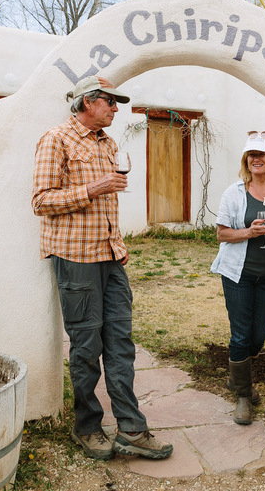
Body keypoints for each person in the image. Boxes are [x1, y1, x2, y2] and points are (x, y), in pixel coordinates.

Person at [32, 75, 173, 462]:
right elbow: (41, 201)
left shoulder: (108, 143)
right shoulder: (56, 139)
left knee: (121, 343)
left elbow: (108, 204)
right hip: (75, 260)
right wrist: (93, 189)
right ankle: (88, 427)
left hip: (109, 259)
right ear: (87, 102)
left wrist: (118, 244)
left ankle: (131, 428)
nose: (116, 109)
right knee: (86, 346)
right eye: (110, 102)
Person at [210, 131, 265, 425]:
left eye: (262, 154)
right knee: (241, 334)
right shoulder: (233, 192)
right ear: (246, 160)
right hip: (239, 275)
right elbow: (221, 233)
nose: (256, 159)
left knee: (257, 338)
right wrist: (248, 232)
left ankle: (237, 379)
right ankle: (244, 395)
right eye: (251, 155)